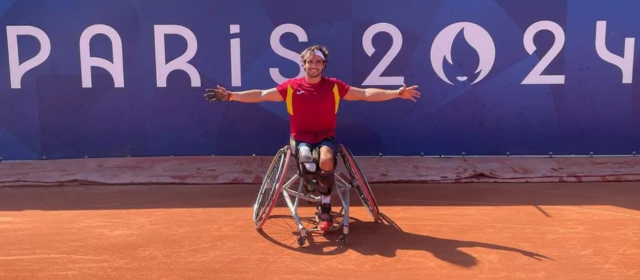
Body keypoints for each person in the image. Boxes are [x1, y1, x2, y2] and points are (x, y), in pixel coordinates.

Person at [204, 45, 420, 232]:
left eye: (318, 61)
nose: (314, 65)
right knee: (306, 160)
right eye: (310, 61)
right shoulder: (291, 87)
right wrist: (231, 95)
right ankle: (311, 188)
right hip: (300, 140)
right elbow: (260, 94)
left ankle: (325, 208)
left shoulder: (334, 86)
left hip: (325, 138)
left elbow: (364, 94)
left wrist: (396, 93)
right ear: (303, 64)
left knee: (326, 159)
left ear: (324, 65)